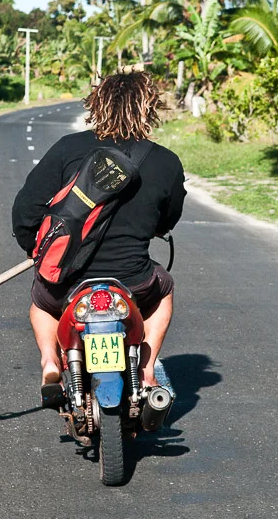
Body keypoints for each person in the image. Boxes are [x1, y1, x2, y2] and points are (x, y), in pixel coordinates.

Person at [11, 71, 186, 395]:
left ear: (98, 104)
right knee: (164, 290)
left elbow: (25, 211)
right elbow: (169, 218)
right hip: (133, 281)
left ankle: (50, 360)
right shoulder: (166, 161)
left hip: (66, 283)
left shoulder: (68, 148)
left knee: (42, 301)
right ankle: (146, 373)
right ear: (148, 109)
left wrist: (34, 249)